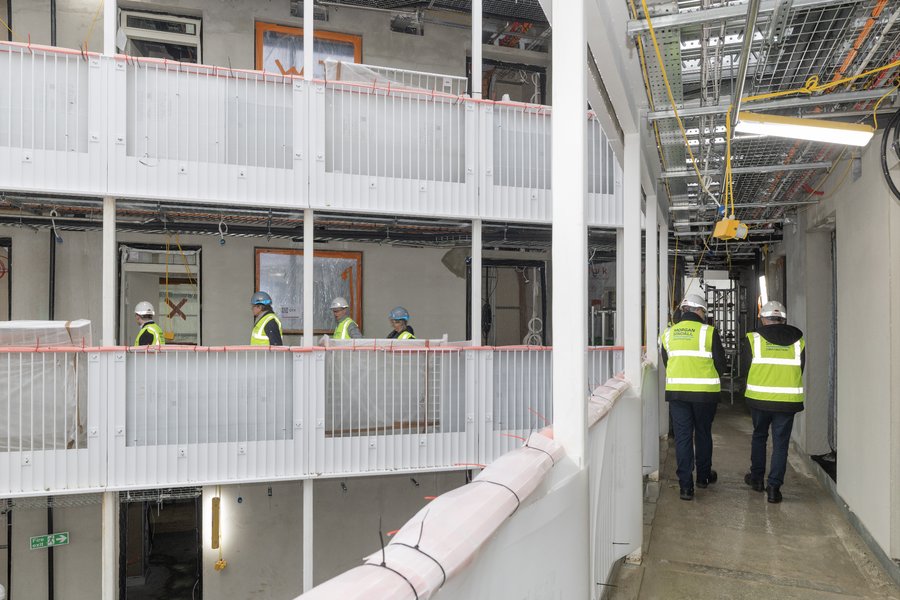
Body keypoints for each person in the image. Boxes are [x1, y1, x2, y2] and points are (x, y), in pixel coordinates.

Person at [660, 293, 726, 501]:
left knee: (682, 437)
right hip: (705, 395)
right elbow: (721, 365)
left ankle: (686, 486)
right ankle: (703, 477)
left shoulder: (668, 334)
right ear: (700, 311)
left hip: (678, 393)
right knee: (703, 433)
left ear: (683, 311)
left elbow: (666, 361)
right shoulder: (708, 332)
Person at [740, 300, 805, 504]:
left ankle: (757, 479)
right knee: (781, 444)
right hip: (787, 401)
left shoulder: (754, 339)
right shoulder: (798, 340)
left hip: (760, 400)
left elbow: (745, 368)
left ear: (763, 318)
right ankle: (774, 488)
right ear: (783, 319)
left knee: (759, 437)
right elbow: (800, 368)